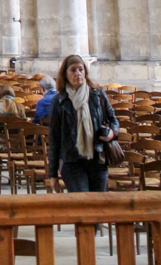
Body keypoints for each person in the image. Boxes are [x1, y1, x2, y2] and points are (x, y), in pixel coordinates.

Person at [47, 54, 119, 193]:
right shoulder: (59, 101)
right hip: (72, 162)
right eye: (73, 70)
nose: (78, 74)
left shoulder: (97, 95)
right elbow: (54, 138)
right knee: (83, 202)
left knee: (98, 205)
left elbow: (113, 120)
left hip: (97, 159)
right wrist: (53, 174)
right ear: (65, 74)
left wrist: (111, 133)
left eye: (81, 69)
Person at [0, 85, 25, 184]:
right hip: (15, 143)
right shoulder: (20, 107)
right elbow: (24, 126)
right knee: (11, 148)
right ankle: (13, 174)